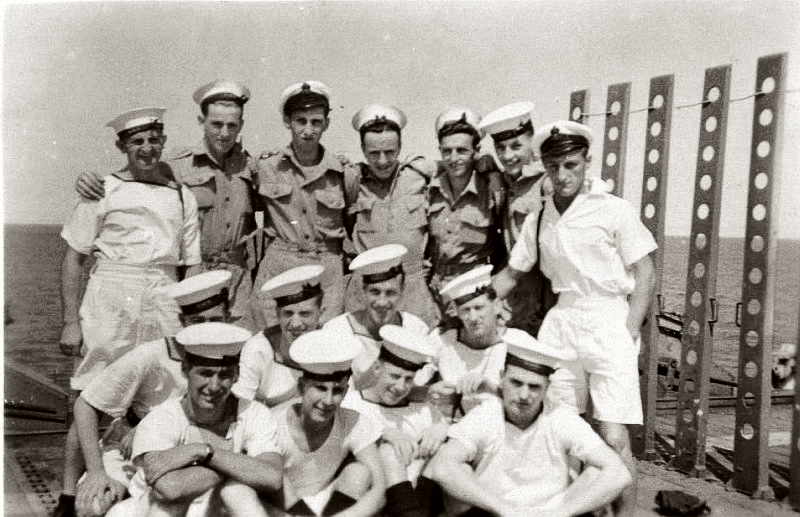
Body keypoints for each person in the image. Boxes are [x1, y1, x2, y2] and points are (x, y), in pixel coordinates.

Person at [493, 120, 657, 516]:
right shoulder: (539, 216)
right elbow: (512, 273)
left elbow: (646, 274)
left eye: (571, 165)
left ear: (587, 162)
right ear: (545, 168)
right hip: (562, 323)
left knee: (613, 437)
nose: (562, 175)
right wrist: (468, 305)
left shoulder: (614, 210)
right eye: (554, 167)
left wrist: (628, 332)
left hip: (609, 319)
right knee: (561, 432)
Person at [74, 80, 258, 331]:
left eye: (232, 125)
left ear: (241, 125)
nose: (224, 133)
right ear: (201, 121)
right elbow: (131, 175)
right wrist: (86, 179)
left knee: (238, 345)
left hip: (238, 280)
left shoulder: (252, 168)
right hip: (193, 272)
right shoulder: (173, 165)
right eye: (216, 124)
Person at [61, 271, 232, 517]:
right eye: (197, 320)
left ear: (227, 319)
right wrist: (96, 471)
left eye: (215, 320)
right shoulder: (152, 354)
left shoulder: (237, 356)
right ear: (182, 320)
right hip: (133, 453)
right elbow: (86, 404)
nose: (206, 329)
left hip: (193, 451)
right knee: (94, 506)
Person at [60, 107, 203, 391]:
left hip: (164, 296)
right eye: (137, 142)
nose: (147, 149)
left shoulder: (182, 195)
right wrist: (70, 323)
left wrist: (191, 318)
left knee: (166, 386)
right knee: (95, 387)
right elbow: (74, 259)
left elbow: (193, 263)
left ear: (163, 142)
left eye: (154, 140)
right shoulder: (101, 190)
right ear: (121, 146)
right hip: (110, 300)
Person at [429, 331, 632, 517]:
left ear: (547, 388)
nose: (524, 395)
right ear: (501, 378)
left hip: (551, 512)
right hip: (496, 511)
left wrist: (562, 513)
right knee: (458, 470)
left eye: (534, 387)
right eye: (516, 383)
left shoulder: (559, 417)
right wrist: (504, 509)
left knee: (597, 472)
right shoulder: (487, 413)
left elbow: (619, 473)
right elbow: (442, 467)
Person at [108, 322, 282, 517]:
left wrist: (202, 453)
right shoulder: (162, 417)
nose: (214, 386)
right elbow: (170, 489)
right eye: (205, 373)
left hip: (217, 508)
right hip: (150, 509)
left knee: (238, 492)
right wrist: (241, 465)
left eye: (224, 375)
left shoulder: (254, 412)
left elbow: (273, 477)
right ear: (185, 370)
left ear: (237, 375)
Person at [232, 329, 385, 516]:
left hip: (327, 507)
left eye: (337, 391)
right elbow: (252, 486)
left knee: (358, 473)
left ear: (345, 392)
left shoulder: (353, 421)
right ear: (301, 387)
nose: (328, 401)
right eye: (320, 388)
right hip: (281, 509)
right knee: (272, 477)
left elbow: (379, 492)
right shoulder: (270, 423)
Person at [251, 80, 359, 329]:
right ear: (287, 121)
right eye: (300, 121)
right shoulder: (265, 167)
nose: (308, 130)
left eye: (316, 122)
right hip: (280, 264)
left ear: (326, 123)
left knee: (324, 339)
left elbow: (352, 223)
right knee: (273, 337)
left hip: (326, 268)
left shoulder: (343, 173)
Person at [345, 104, 439, 327]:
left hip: (413, 286)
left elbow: (459, 164)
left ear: (400, 147)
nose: (382, 161)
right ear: (362, 149)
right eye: (374, 153)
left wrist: (488, 165)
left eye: (390, 152)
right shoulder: (351, 180)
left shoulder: (419, 173)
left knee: (416, 342)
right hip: (367, 287)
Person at [341, 325, 447, 517]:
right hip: (378, 506)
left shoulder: (422, 409)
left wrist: (442, 429)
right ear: (377, 367)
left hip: (426, 503)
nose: (400, 386)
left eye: (408, 379)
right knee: (386, 450)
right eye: (395, 376)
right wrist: (381, 434)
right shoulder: (352, 404)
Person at [478, 101, 549, 335]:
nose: (507, 156)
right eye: (500, 148)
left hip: (545, 299)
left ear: (533, 141)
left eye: (516, 146)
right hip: (516, 297)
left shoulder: (547, 182)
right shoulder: (507, 181)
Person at [426, 108, 502, 325]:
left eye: (461, 151)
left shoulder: (492, 191)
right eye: (447, 151)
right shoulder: (430, 190)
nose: (453, 158)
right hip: (436, 295)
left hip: (475, 293)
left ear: (476, 151)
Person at [425, 265, 530, 418]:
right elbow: (409, 386)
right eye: (465, 310)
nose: (473, 318)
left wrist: (490, 389)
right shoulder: (443, 340)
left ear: (497, 306)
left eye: (479, 308)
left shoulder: (519, 343)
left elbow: (535, 401)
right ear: (457, 313)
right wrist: (429, 392)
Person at [324, 244, 429, 390]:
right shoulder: (338, 330)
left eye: (390, 293)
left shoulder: (415, 329)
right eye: (375, 292)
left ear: (402, 291)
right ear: (363, 292)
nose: (382, 302)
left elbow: (417, 384)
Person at [233, 264, 325, 407]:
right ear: (277, 314)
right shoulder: (258, 349)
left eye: (305, 314)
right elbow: (242, 404)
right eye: (288, 313)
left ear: (321, 313)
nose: (295, 324)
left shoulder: (330, 345)